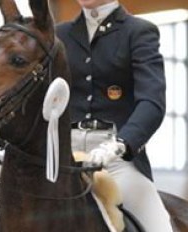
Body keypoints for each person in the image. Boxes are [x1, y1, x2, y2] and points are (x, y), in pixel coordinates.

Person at [56, 0, 173, 231]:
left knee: (157, 226)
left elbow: (151, 102)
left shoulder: (138, 31)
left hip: (115, 160)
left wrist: (120, 144)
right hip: (63, 158)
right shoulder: (60, 34)